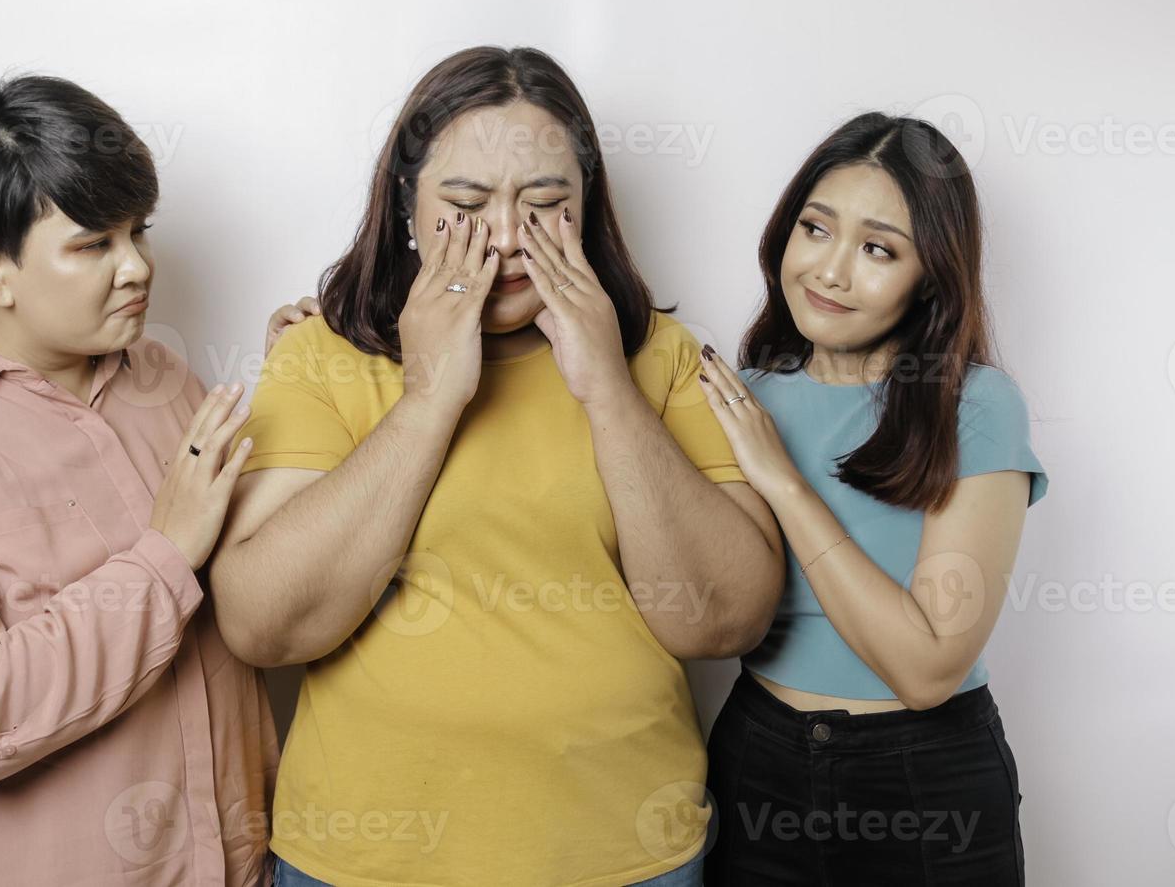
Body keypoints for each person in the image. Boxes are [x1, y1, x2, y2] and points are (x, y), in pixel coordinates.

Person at [206, 46, 786, 887]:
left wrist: (607, 392)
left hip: (623, 856)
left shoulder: (664, 359)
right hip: (365, 861)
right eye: (467, 202)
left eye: (546, 203)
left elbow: (721, 623)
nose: (509, 237)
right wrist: (430, 398)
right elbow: (265, 628)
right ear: (407, 205)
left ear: (586, 210)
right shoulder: (319, 353)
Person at [0, 75, 288, 886]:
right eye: (93, 245)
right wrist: (163, 557)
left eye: (138, 232)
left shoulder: (161, 378)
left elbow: (260, 580)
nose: (138, 267)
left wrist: (299, 389)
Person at [696, 113, 1047, 884]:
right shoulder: (738, 399)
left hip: (923, 782)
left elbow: (926, 670)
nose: (830, 272)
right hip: (757, 760)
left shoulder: (975, 407)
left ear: (933, 275)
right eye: (816, 230)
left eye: (879, 249)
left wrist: (784, 483)